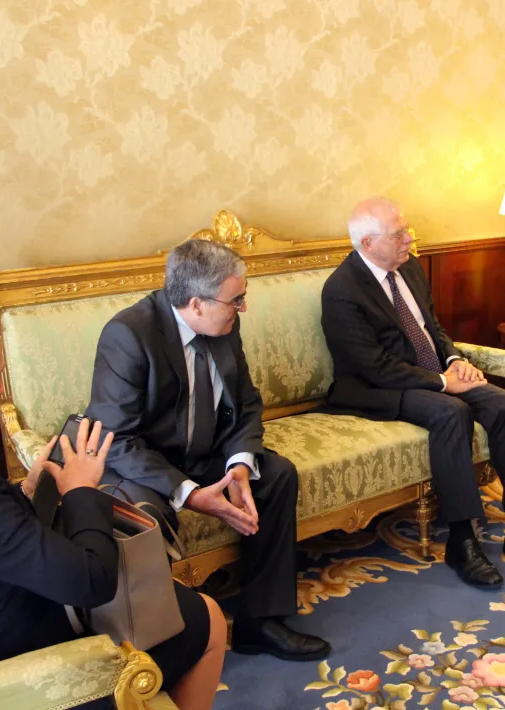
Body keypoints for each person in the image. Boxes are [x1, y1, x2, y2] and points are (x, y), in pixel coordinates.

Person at [0, 298, 226, 710]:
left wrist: (24, 495)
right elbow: (92, 583)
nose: (1, 390)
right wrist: (81, 491)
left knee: (171, 599)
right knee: (207, 617)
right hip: (16, 677)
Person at [84, 239, 329, 661]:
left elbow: (247, 403)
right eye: (237, 300)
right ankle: (160, 646)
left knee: (275, 475)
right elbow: (117, 440)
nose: (243, 308)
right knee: (143, 517)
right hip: (145, 464)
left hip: (205, 451)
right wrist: (190, 493)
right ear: (196, 304)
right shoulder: (128, 334)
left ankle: (261, 621)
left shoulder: (222, 325)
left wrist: (238, 465)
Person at [320, 197, 505, 589]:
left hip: (432, 373)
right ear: (368, 244)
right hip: (376, 389)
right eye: (399, 234)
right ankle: (462, 540)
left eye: (408, 229)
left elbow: (432, 328)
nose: (410, 239)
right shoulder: (342, 290)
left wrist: (454, 359)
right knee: (450, 411)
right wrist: (443, 383)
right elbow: (373, 366)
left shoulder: (409, 269)